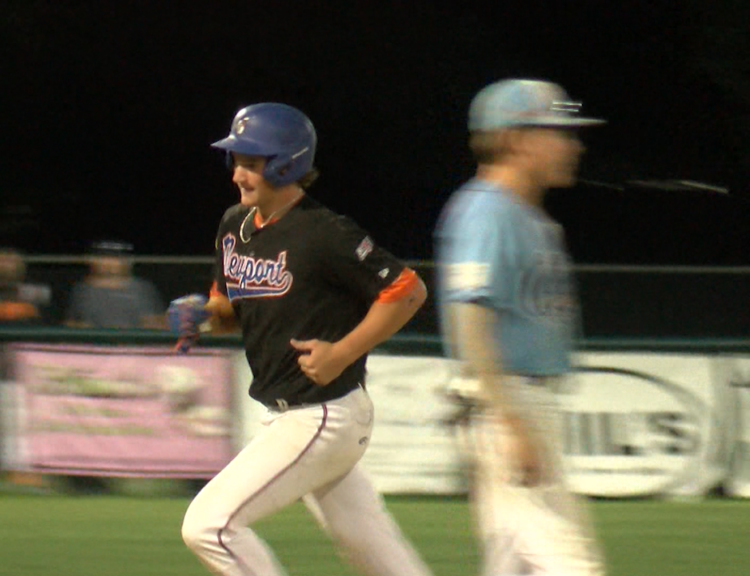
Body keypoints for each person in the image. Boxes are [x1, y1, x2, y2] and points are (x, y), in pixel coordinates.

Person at [178, 102, 433, 576]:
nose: (238, 173)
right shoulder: (234, 225)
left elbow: (407, 291)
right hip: (294, 417)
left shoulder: (324, 232)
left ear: (286, 164)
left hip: (322, 414)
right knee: (376, 553)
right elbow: (230, 312)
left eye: (251, 163)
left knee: (208, 526)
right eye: (236, 160)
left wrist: (343, 351)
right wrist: (202, 316)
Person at [434, 79, 607, 576]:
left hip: (522, 402)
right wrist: (509, 420)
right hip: (506, 402)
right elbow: (470, 322)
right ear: (517, 139)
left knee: (514, 565)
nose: (574, 145)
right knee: (572, 563)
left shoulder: (527, 216)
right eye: (559, 132)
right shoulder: (486, 211)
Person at [65, 240, 166, 329]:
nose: (108, 263)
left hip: (134, 346)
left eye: (115, 258)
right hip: (96, 346)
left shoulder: (142, 289)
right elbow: (71, 324)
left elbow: (156, 324)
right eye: (103, 257)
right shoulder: (83, 290)